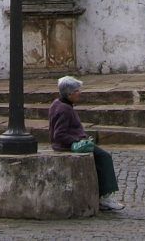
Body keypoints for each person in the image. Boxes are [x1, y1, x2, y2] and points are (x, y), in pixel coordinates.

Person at [48, 75, 125, 211]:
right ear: (69, 93)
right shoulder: (64, 109)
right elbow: (59, 134)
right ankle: (105, 197)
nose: (80, 93)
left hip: (68, 142)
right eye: (77, 91)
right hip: (68, 146)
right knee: (104, 157)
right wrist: (78, 140)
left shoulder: (57, 104)